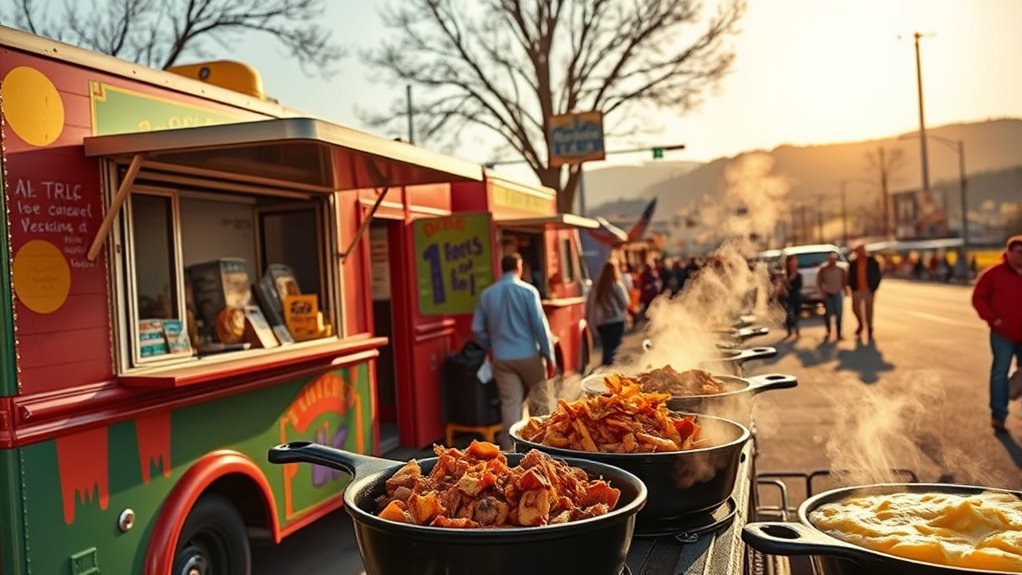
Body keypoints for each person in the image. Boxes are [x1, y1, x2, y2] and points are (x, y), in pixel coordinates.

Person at [472, 253, 557, 448]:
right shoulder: (528, 291)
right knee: (540, 400)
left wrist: (489, 346)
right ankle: (544, 444)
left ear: (502, 268)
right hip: (528, 355)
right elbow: (539, 325)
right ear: (519, 267)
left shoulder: (487, 294)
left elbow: (476, 329)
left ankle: (511, 447)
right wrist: (549, 355)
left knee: (510, 402)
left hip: (501, 357)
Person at [970, 235, 1022, 434]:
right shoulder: (993, 274)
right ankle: (998, 415)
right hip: (1003, 333)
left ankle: (1009, 391)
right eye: (1019, 252)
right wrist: (993, 319)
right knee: (1000, 371)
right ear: (1008, 253)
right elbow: (978, 298)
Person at [589, 260, 629, 366]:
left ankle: (605, 367)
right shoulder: (617, 284)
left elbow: (591, 304)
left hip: (601, 323)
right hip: (616, 320)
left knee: (607, 347)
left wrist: (592, 322)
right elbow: (625, 302)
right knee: (614, 348)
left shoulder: (597, 286)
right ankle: (609, 370)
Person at [847, 244, 882, 341]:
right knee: (855, 308)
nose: (859, 252)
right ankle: (861, 324)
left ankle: (869, 327)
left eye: (861, 250)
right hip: (856, 289)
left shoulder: (872, 262)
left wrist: (874, 288)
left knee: (868, 310)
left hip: (868, 289)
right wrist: (850, 286)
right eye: (857, 251)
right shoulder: (853, 263)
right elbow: (850, 275)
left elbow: (877, 275)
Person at [816, 251, 848, 340]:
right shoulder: (823, 269)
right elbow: (819, 281)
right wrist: (821, 291)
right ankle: (828, 331)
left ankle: (839, 333)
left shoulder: (840, 270)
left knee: (839, 313)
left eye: (833, 260)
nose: (832, 262)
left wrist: (845, 290)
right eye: (830, 260)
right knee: (827, 314)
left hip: (837, 293)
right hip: (827, 294)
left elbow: (844, 281)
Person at [777, 254, 803, 338]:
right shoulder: (784, 274)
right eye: (792, 261)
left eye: (795, 261)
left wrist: (793, 278)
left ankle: (797, 330)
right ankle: (789, 331)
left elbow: (799, 286)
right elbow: (780, 285)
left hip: (796, 296)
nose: (794, 263)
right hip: (787, 297)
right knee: (789, 314)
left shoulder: (798, 274)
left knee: (796, 313)